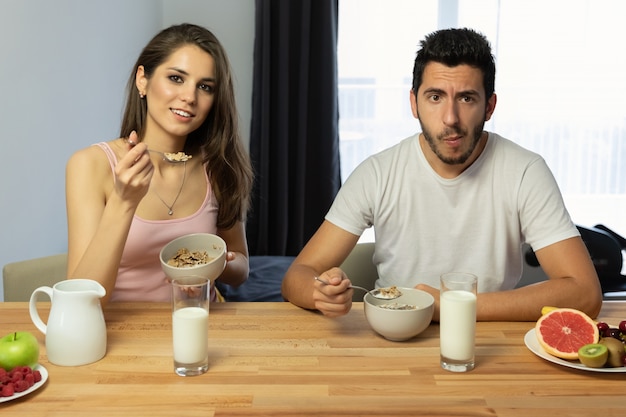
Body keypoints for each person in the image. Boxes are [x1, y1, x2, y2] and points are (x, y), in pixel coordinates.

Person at [281, 28, 602, 321]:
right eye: (435, 97)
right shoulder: (377, 172)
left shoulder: (524, 171)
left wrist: (451, 305)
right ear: (414, 103)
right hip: (392, 338)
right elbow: (297, 275)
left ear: (489, 106)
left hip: (485, 336)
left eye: (466, 98)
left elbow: (585, 293)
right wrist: (318, 292)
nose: (450, 118)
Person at [66, 23, 253, 305]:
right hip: (122, 334)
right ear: (143, 79)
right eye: (177, 78)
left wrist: (212, 267)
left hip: (199, 324)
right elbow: (81, 300)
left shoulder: (216, 165)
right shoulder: (90, 165)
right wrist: (124, 201)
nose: (190, 97)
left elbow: (241, 267)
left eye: (205, 86)